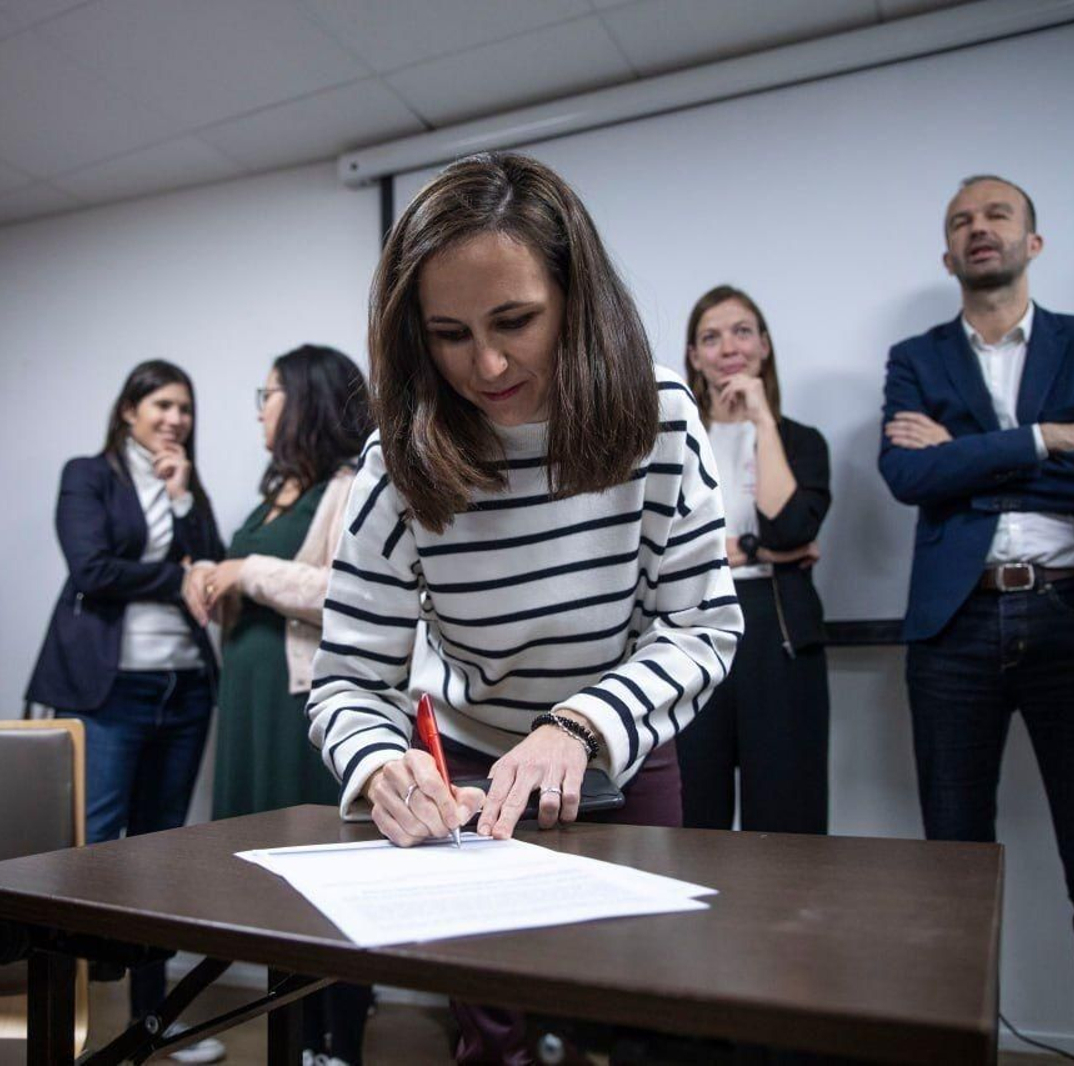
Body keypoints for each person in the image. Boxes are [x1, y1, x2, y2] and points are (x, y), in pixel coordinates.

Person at [306, 152, 742, 1065]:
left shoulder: (658, 414)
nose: (489, 364)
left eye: (515, 322)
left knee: (631, 1014)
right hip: (466, 774)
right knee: (492, 1030)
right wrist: (384, 764)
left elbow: (702, 623)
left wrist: (578, 729)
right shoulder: (400, 456)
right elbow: (351, 676)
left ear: (576, 301)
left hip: (620, 754)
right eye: (450, 334)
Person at [879, 174, 1074, 1065]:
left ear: (1034, 242)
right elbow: (909, 479)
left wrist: (964, 456)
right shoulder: (916, 359)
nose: (977, 229)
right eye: (960, 221)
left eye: (997, 215)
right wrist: (1042, 439)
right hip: (957, 628)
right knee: (953, 874)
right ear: (946, 255)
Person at [25, 360, 226, 1061]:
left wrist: (179, 497)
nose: (176, 419)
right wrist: (176, 576)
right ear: (129, 411)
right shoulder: (88, 474)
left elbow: (217, 569)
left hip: (185, 688)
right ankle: (67, 1020)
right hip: (111, 687)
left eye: (186, 409)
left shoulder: (186, 484)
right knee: (98, 845)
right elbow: (92, 570)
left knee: (161, 848)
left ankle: (154, 1021)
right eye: (162, 404)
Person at [185, 344, 374, 1066]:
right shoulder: (276, 492)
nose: (260, 408)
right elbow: (252, 582)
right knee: (264, 884)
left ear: (305, 400)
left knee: (325, 886)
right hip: (249, 708)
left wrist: (245, 570)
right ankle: (289, 1042)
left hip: (303, 716)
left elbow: (345, 594)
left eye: (268, 394)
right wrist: (208, 579)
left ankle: (339, 1044)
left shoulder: (352, 483)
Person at [676, 285, 830, 835]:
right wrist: (759, 551)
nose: (728, 347)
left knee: (787, 820)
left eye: (742, 331)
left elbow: (789, 526)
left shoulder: (801, 442)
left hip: (777, 632)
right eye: (711, 337)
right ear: (693, 355)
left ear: (764, 345)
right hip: (690, 632)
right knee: (694, 819)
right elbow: (662, 549)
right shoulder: (674, 441)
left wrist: (762, 420)